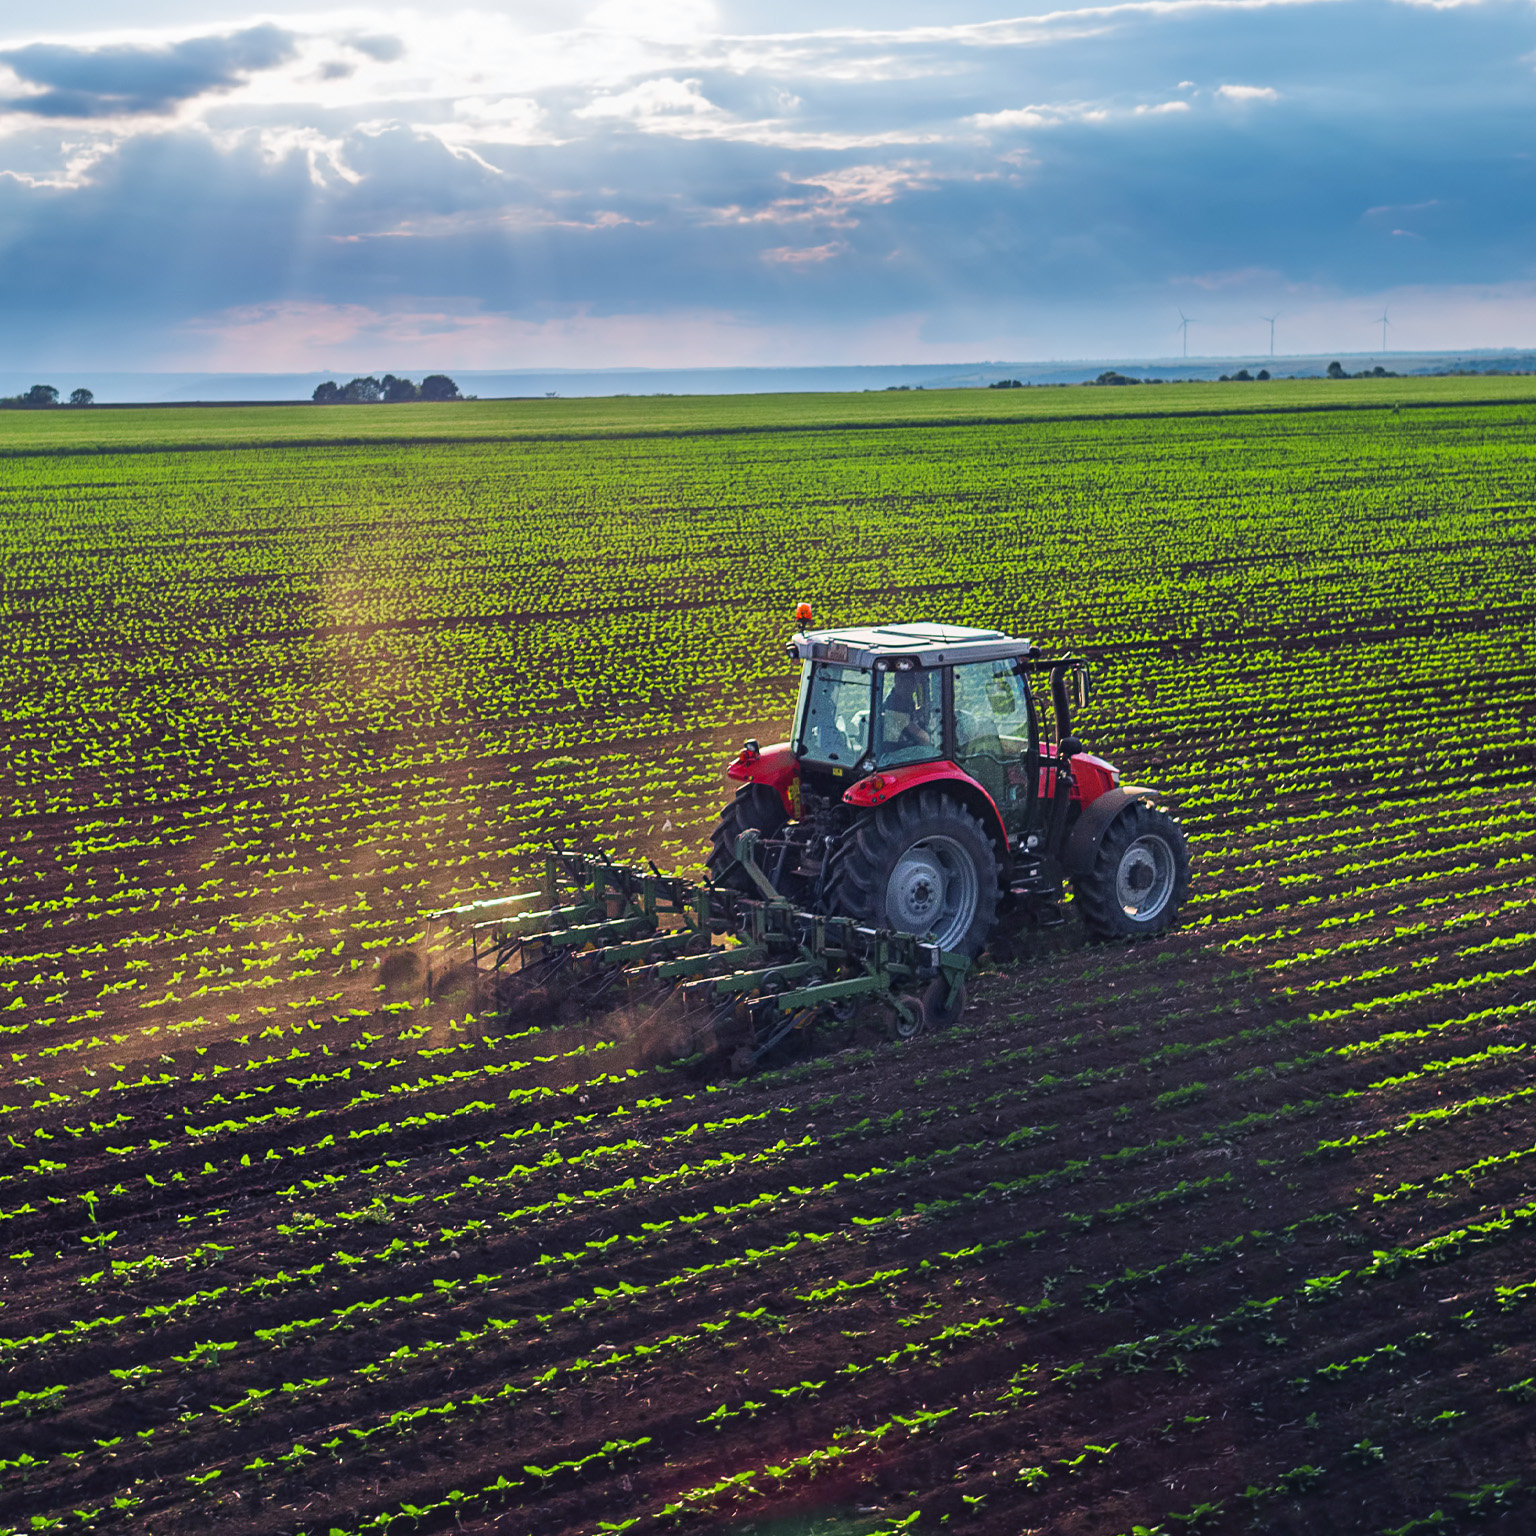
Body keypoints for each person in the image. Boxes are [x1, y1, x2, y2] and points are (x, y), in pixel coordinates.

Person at [882, 670, 936, 750]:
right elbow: (914, 730)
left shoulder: (907, 700)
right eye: (905, 681)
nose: (912, 688)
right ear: (897, 680)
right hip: (895, 751)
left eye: (913, 683)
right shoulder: (892, 703)